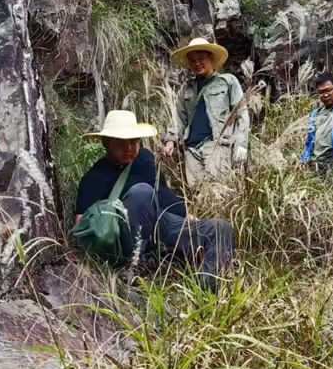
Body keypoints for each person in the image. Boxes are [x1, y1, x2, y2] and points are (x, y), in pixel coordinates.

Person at [74, 110, 234, 291]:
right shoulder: (95, 177)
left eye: (133, 142)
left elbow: (162, 192)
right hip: (127, 234)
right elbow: (82, 226)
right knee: (142, 192)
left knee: (220, 229)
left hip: (163, 226)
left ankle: (206, 293)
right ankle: (133, 268)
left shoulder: (144, 159)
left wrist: (186, 216)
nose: (129, 149)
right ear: (106, 143)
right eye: (122, 143)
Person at [162, 37, 250, 186]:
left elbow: (241, 113)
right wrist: (170, 141)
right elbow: (178, 118)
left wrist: (241, 144)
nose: (197, 63)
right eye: (192, 60)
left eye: (201, 58)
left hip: (217, 145)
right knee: (197, 195)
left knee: (218, 193)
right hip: (191, 150)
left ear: (211, 58)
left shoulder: (227, 81)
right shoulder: (186, 89)